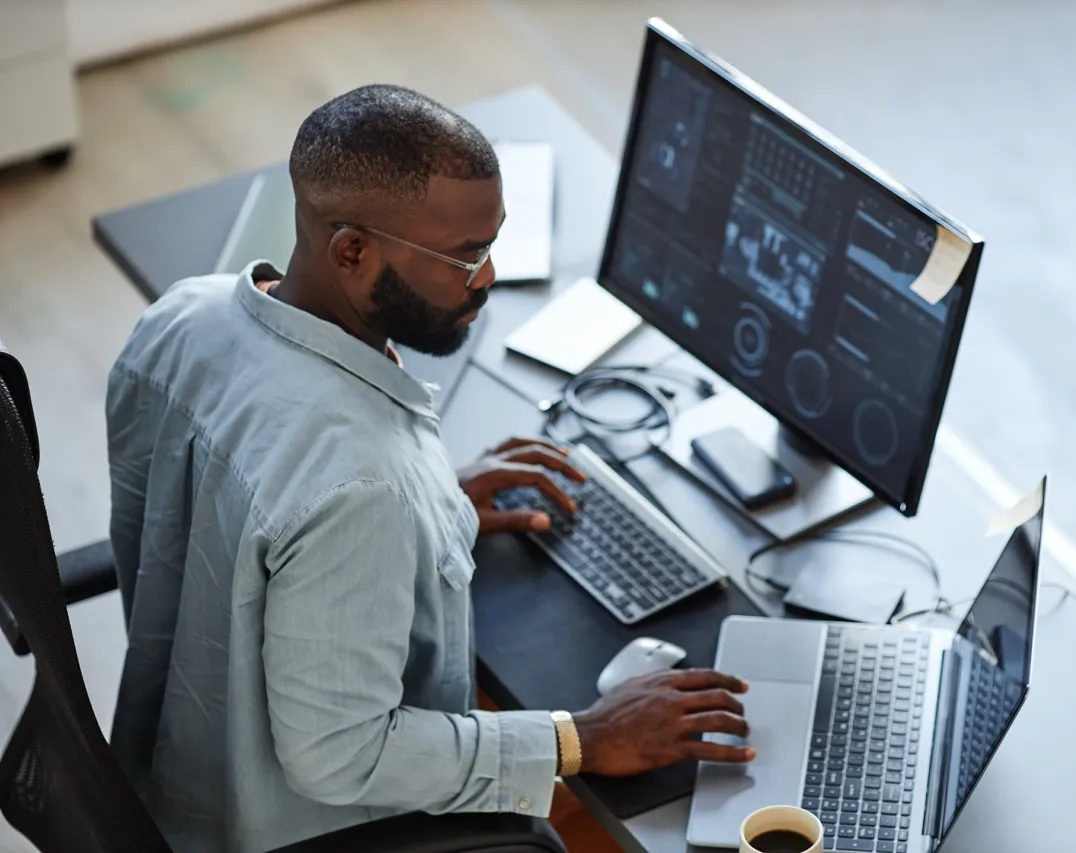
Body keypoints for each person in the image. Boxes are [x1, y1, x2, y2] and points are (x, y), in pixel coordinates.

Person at [105, 83, 754, 853]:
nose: (486, 278)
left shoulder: (182, 316)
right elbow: (342, 755)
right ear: (352, 250)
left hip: (171, 769)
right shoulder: (364, 485)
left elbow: (244, 516)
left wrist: (435, 509)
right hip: (287, 828)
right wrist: (580, 736)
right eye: (464, 257)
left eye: (492, 242)